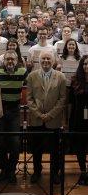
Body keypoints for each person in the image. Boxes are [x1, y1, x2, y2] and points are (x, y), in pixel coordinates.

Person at [26, 50, 66, 184]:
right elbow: (29, 98)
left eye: (48, 59)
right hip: (36, 120)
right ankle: (37, 171)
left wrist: (49, 115)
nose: (46, 61)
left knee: (55, 149)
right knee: (36, 148)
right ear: (39, 61)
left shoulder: (61, 77)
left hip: (53, 120)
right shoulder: (32, 76)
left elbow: (62, 99)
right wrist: (39, 114)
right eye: (43, 59)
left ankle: (55, 173)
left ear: (53, 61)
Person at [0, 51, 27, 183]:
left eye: (12, 59)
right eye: (7, 59)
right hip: (0, 111)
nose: (10, 62)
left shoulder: (22, 72)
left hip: (14, 111)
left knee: (15, 143)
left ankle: (11, 171)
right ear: (3, 61)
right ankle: (3, 170)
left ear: (16, 60)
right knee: (1, 142)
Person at [69, 55, 88, 185]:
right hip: (79, 117)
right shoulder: (75, 80)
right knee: (80, 146)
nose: (87, 66)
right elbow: (71, 102)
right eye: (84, 64)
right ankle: (83, 172)